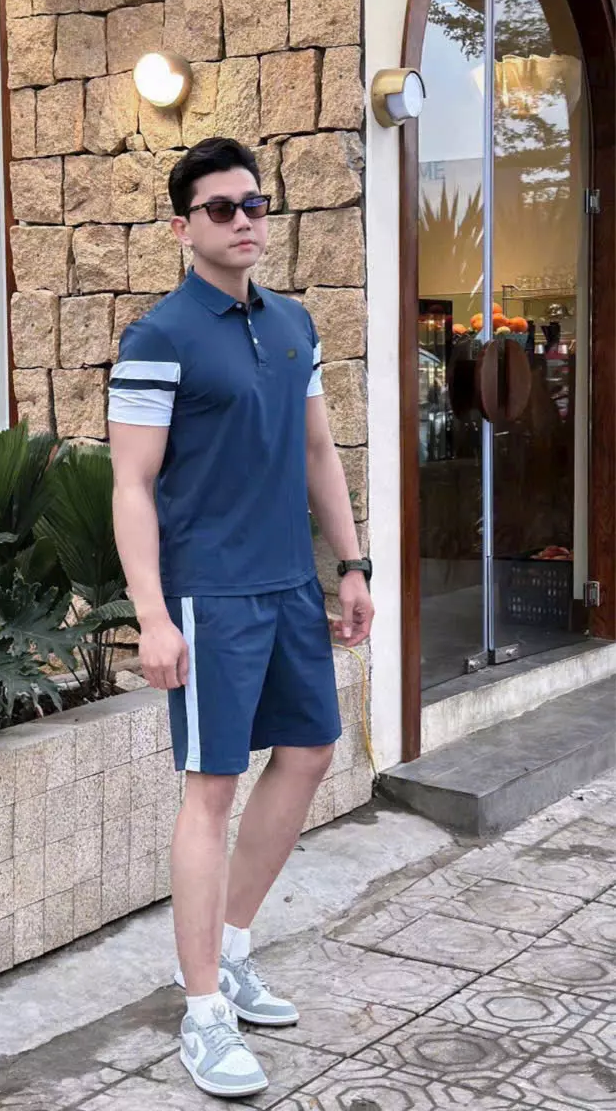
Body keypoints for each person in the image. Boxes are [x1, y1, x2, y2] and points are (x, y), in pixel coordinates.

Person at [108, 137, 374, 1098]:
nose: (243, 220)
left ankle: (229, 950)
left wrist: (352, 565)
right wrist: (152, 615)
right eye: (220, 208)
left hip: (290, 584)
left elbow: (318, 452)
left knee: (309, 752)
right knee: (211, 788)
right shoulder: (158, 338)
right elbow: (132, 486)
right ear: (184, 227)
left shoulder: (295, 323)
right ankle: (202, 1013)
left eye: (254, 204)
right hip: (208, 593)